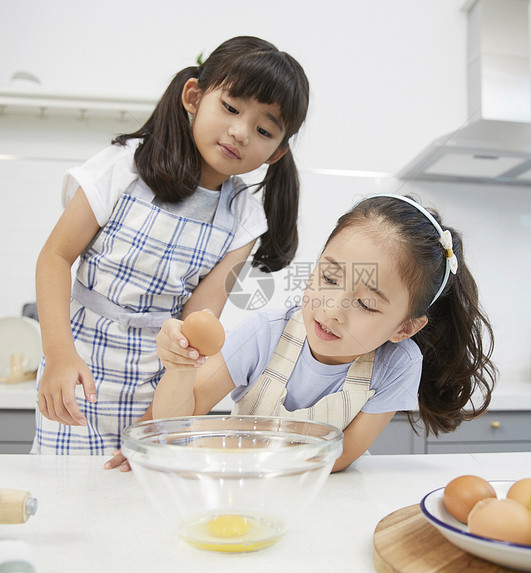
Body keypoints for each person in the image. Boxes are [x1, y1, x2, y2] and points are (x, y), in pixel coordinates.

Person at [31, 36, 310, 455]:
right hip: (77, 370)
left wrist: (158, 418)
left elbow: (197, 321)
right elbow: (54, 258)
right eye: (231, 108)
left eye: (264, 129)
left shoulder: (245, 218)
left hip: (159, 388)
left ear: (276, 151)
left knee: (142, 510)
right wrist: (58, 356)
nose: (240, 132)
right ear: (194, 97)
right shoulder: (126, 165)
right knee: (67, 499)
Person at [121, 194, 497, 472]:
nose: (332, 310)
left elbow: (341, 457)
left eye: (366, 305)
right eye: (329, 278)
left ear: (404, 327)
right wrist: (181, 368)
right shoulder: (264, 335)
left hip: (323, 500)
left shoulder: (398, 365)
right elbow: (174, 424)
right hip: (246, 492)